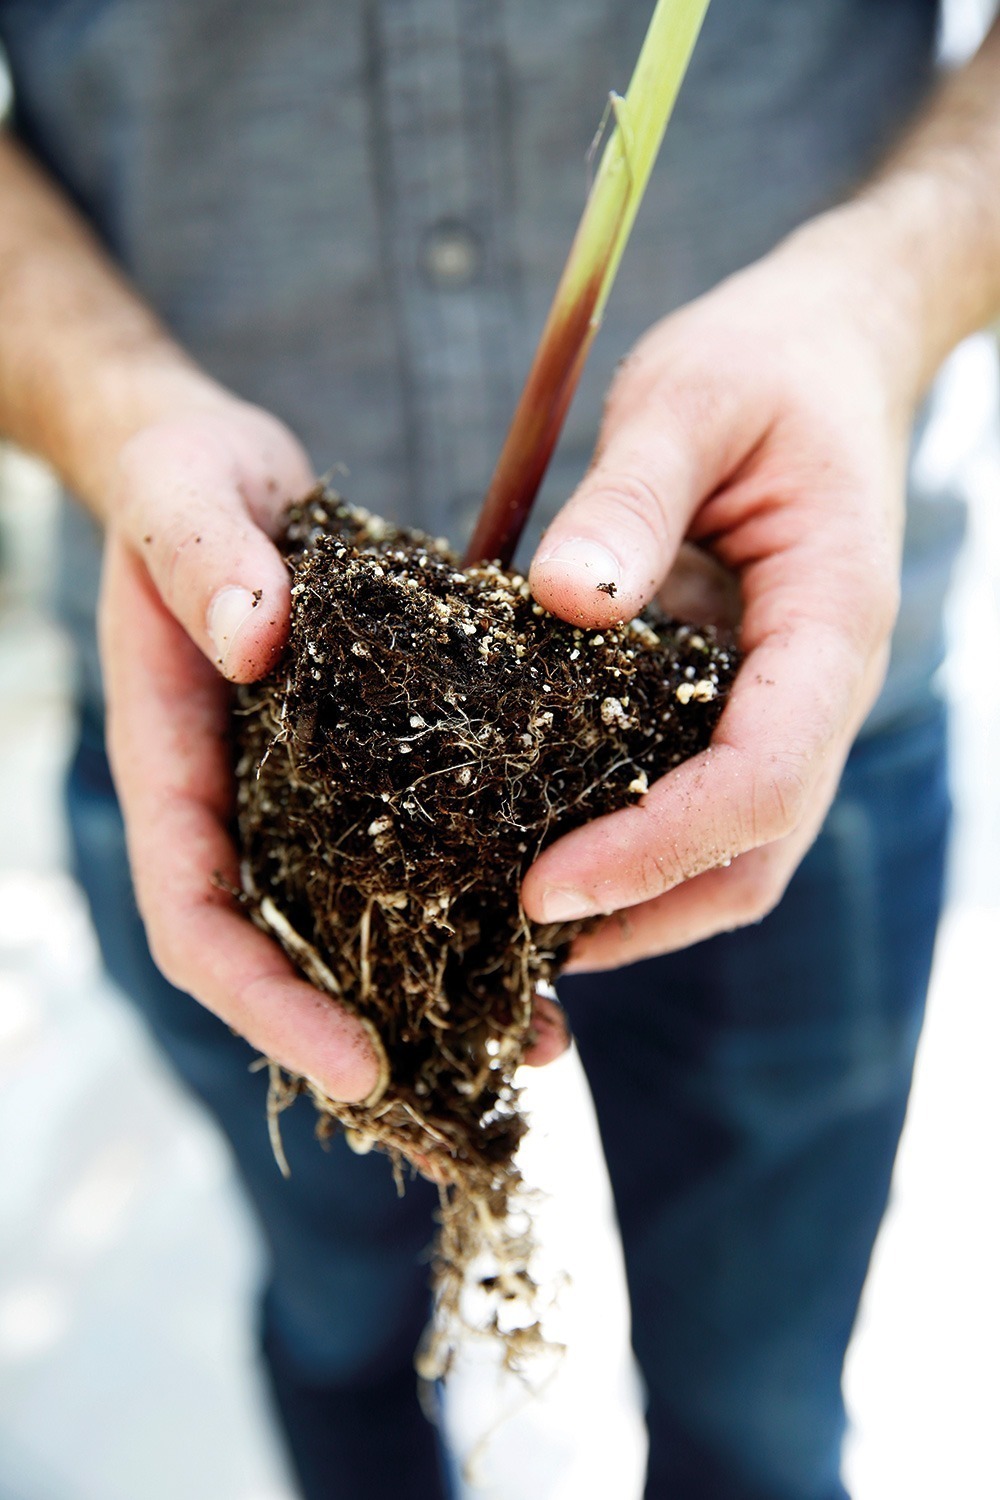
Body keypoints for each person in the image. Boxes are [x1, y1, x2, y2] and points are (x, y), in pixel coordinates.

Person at [0, 2, 998, 1495]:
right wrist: (108, 400)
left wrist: (879, 299)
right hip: (210, 703)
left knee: (760, 1404)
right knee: (343, 1338)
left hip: (791, 678)